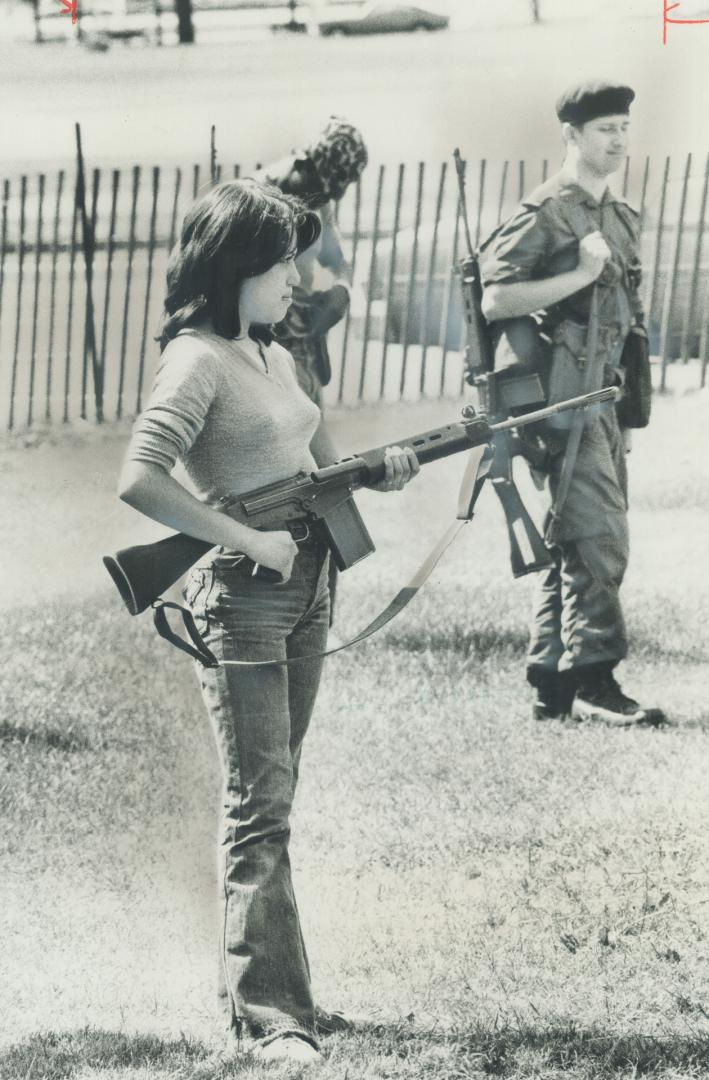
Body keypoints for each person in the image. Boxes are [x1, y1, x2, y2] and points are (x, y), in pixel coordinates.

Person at [116, 179, 419, 1063]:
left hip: (308, 585)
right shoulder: (197, 358)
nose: (297, 273)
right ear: (236, 264)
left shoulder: (272, 354)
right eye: (281, 257)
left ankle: (276, 997)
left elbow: (319, 465)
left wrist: (384, 467)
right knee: (260, 810)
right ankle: (271, 1018)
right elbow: (139, 476)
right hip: (246, 596)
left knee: (272, 802)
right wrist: (244, 534)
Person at [480, 80, 663, 728]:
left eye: (622, 126)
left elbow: (629, 321)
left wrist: (628, 417)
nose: (616, 139)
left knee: (572, 535)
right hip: (558, 398)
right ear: (570, 135)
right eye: (603, 128)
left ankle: (551, 682)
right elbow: (495, 300)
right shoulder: (545, 213)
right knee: (599, 536)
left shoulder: (620, 215)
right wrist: (578, 276)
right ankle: (595, 679)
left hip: (604, 397)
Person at [257, 117, 368, 631]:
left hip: (303, 344)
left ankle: (317, 601)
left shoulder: (317, 193)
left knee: (321, 473)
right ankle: (293, 598)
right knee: (296, 476)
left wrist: (341, 291)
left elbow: (337, 259)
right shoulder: (275, 187)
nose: (329, 194)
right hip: (275, 348)